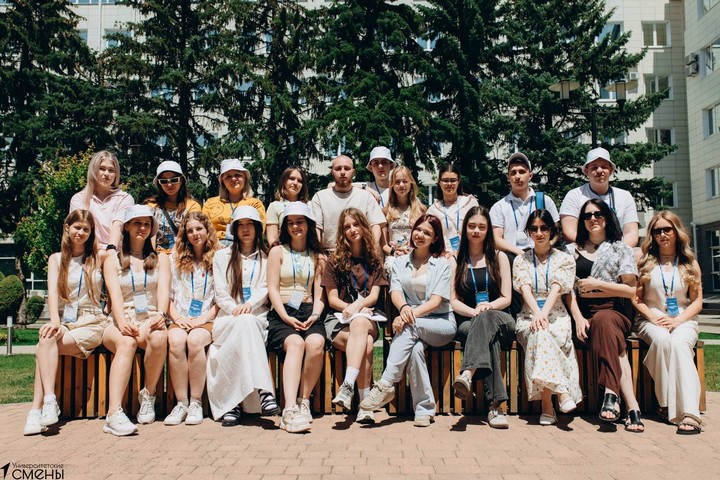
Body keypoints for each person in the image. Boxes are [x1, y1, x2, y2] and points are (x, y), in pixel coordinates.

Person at [360, 215, 456, 427]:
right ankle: (424, 409)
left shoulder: (442, 263)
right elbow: (395, 292)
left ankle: (385, 384)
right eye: (418, 230)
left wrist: (407, 317)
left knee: (410, 328)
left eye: (427, 233)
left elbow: (436, 301)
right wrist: (404, 309)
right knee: (415, 350)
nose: (420, 235)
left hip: (440, 323)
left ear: (435, 238)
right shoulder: (400, 262)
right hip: (412, 324)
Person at [24, 210, 107, 436]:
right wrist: (54, 321)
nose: (81, 232)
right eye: (77, 227)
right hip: (65, 320)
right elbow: (52, 292)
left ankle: (36, 410)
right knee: (46, 340)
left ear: (91, 233)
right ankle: (48, 402)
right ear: (67, 228)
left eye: (86, 229)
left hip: (92, 320)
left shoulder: (99, 257)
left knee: (43, 348)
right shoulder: (56, 259)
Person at [565, 199, 643, 432]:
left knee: (604, 320)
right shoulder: (570, 250)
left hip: (614, 312)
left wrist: (598, 285)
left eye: (598, 214)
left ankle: (610, 393)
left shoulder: (620, 248)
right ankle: (632, 407)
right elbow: (567, 290)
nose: (593, 219)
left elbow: (630, 290)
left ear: (607, 218)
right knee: (616, 346)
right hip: (582, 315)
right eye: (587, 216)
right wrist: (578, 318)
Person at [207, 206, 280, 426]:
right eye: (241, 225)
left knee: (247, 321)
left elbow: (266, 287)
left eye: (250, 225)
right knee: (244, 321)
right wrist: (234, 308)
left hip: (257, 317)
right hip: (227, 318)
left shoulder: (267, 257)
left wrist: (248, 305)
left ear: (258, 228)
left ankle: (233, 405)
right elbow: (220, 292)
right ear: (234, 229)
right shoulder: (221, 256)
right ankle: (265, 391)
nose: (245, 229)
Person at [101, 205, 170, 436]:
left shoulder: (161, 259)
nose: (142, 228)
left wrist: (161, 315)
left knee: (159, 337)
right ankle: (113, 413)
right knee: (127, 342)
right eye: (137, 223)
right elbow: (114, 295)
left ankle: (148, 394)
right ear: (127, 227)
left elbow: (164, 291)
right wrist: (122, 323)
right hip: (119, 320)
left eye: (147, 224)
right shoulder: (112, 260)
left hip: (150, 318)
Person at [633, 211, 704, 434]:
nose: (662, 234)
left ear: (676, 231)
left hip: (684, 319)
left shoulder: (689, 262)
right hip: (650, 320)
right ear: (651, 235)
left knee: (680, 344)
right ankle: (665, 402)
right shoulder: (644, 262)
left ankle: (690, 413)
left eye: (667, 229)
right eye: (657, 231)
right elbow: (636, 298)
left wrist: (678, 320)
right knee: (663, 341)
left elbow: (697, 301)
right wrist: (654, 317)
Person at [450, 206, 516, 429]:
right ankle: (495, 406)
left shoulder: (499, 257)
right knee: (490, 339)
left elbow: (506, 297)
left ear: (488, 230)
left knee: (487, 320)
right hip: (468, 320)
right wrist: (474, 312)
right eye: (471, 226)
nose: (476, 231)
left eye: (481, 227)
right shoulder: (456, 260)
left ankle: (467, 373)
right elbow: (453, 300)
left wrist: (488, 307)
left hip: (501, 317)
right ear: (465, 229)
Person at [513, 210, 581, 426]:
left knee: (543, 332)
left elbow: (558, 288)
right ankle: (562, 393)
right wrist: (537, 314)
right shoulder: (521, 260)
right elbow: (524, 288)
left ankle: (547, 408)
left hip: (557, 315)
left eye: (544, 228)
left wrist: (543, 315)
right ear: (528, 232)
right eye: (534, 229)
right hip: (528, 315)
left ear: (552, 230)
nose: (539, 233)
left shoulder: (565, 259)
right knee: (539, 331)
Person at [322, 208, 388, 424]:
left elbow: (374, 297)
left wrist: (358, 307)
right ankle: (365, 405)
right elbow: (332, 299)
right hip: (339, 319)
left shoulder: (374, 260)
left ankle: (348, 385)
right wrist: (351, 309)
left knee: (360, 323)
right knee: (366, 343)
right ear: (342, 232)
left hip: (368, 317)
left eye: (356, 224)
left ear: (364, 226)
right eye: (347, 227)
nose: (352, 230)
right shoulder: (334, 260)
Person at [266, 202, 326, 433]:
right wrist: (285, 317)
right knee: (296, 343)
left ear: (308, 225)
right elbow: (272, 289)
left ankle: (304, 401)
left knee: (316, 343)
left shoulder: (319, 256)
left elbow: (319, 294)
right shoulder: (277, 251)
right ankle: (289, 409)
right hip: (282, 313)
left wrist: (316, 315)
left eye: (300, 222)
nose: (295, 226)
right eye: (290, 223)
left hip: (309, 312)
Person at [165, 212, 220, 426]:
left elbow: (222, 298)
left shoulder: (219, 257)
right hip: (180, 317)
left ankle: (196, 402)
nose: (195, 234)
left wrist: (202, 319)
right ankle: (182, 403)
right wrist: (178, 318)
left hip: (208, 317)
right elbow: (167, 296)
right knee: (176, 341)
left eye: (199, 229)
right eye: (190, 230)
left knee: (195, 341)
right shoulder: (174, 258)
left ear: (207, 231)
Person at [560, 147, 639, 247]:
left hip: (617, 251)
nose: (599, 170)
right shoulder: (574, 195)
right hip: (584, 251)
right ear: (586, 171)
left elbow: (632, 233)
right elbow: (568, 232)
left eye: (604, 167)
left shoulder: (625, 196)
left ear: (611, 170)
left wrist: (617, 251)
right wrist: (591, 249)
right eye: (594, 167)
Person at [311, 155, 386, 253]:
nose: (342, 172)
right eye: (338, 169)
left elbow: (376, 224)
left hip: (361, 254)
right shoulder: (320, 197)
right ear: (332, 172)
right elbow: (316, 228)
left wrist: (372, 248)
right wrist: (318, 253)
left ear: (353, 172)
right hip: (330, 253)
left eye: (347, 168)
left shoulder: (366, 197)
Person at [490, 152, 560, 257]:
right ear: (508, 177)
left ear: (530, 175)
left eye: (522, 172)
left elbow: (556, 232)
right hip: (512, 257)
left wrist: (546, 247)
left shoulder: (544, 201)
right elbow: (496, 239)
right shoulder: (499, 207)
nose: (517, 176)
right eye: (513, 173)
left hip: (542, 256)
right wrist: (519, 252)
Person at [70, 150, 134, 251]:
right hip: (88, 252)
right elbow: (80, 230)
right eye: (102, 169)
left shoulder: (125, 198)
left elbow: (118, 225)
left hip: (115, 252)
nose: (106, 174)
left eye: (111, 170)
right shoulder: (78, 199)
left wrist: (110, 250)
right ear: (93, 170)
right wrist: (97, 251)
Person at [203, 158, 266, 247]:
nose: (233, 179)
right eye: (228, 177)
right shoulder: (210, 203)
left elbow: (259, 230)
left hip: (244, 247)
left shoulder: (255, 204)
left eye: (237, 175)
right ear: (223, 182)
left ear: (245, 178)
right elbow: (203, 228)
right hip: (214, 247)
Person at [144, 161, 201, 254]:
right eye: (164, 181)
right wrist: (152, 256)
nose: (169, 184)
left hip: (184, 255)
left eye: (174, 180)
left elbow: (194, 232)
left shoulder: (193, 206)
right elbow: (148, 234)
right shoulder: (151, 205)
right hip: (157, 256)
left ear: (181, 181)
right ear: (159, 184)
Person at [381, 165, 426, 273]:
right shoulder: (386, 211)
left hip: (416, 256)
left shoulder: (421, 209)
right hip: (394, 257)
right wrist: (394, 252)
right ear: (392, 185)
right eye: (397, 182)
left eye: (405, 181)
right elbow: (383, 244)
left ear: (411, 183)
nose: (401, 185)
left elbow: (425, 238)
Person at [427, 163, 479, 254]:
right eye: (445, 180)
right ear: (439, 182)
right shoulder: (433, 210)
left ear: (458, 181)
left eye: (453, 180)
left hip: (468, 254)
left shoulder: (470, 203)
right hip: (444, 256)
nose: (449, 184)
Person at [266, 166, 309, 247]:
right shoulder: (274, 206)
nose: (295, 183)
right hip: (283, 251)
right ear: (284, 181)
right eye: (292, 179)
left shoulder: (309, 206)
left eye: (300, 181)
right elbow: (272, 239)